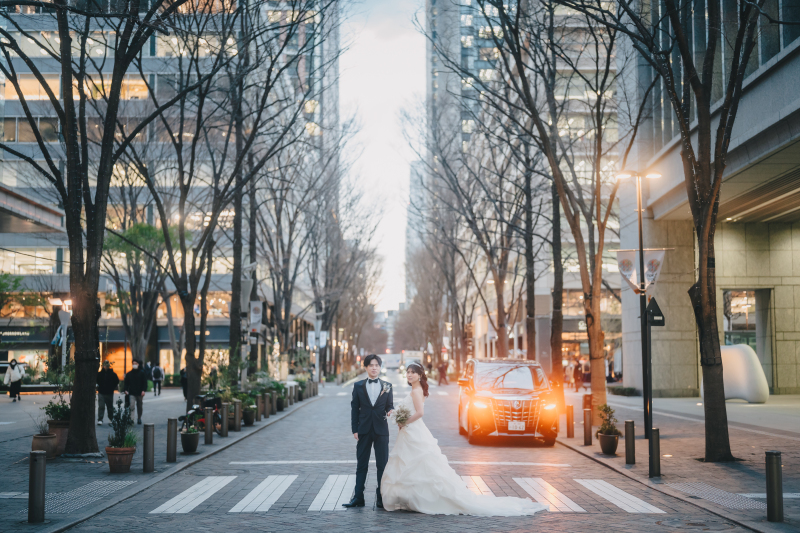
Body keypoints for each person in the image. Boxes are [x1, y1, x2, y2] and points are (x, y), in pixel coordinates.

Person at [381, 362, 545, 516]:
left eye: (412, 373)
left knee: (415, 462)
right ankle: (413, 497)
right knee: (412, 463)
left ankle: (418, 497)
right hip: (411, 431)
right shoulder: (416, 390)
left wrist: (404, 421)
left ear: (419, 375)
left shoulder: (416, 391)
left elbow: (420, 413)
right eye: (408, 372)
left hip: (413, 430)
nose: (409, 375)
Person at [343, 354, 394, 509]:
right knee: (362, 465)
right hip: (364, 429)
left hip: (381, 430)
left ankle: (380, 498)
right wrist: (355, 429)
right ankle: (358, 497)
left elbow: (389, 405)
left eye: (376, 365)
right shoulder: (358, 386)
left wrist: (392, 411)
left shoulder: (388, 386)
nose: (374, 368)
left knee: (382, 465)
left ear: (380, 367)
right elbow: (354, 409)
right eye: (371, 365)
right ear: (365, 367)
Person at [124, 360, 146, 424]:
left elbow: (144, 383)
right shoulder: (129, 374)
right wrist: (125, 390)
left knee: (139, 406)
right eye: (133, 363)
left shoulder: (142, 373)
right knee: (132, 406)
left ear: (138, 364)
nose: (134, 365)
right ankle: (131, 419)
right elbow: (126, 383)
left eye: (135, 363)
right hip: (132, 392)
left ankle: (139, 418)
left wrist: (143, 390)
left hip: (139, 393)